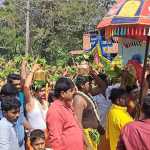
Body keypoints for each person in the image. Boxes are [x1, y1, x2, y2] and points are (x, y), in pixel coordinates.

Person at [46, 77, 84, 150]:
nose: (74, 92)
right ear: (63, 93)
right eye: (71, 90)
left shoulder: (67, 107)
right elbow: (56, 140)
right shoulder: (55, 111)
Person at [73, 75, 104, 150]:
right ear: (82, 85)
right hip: (88, 135)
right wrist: (87, 143)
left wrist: (93, 73)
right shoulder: (79, 99)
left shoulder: (88, 94)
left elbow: (103, 86)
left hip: (94, 133)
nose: (91, 85)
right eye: (89, 84)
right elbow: (78, 123)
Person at [24, 64, 49, 130]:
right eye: (41, 91)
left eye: (44, 90)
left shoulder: (46, 103)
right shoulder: (31, 102)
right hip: (34, 138)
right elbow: (26, 86)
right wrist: (33, 70)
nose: (43, 93)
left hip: (46, 137)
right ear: (34, 92)